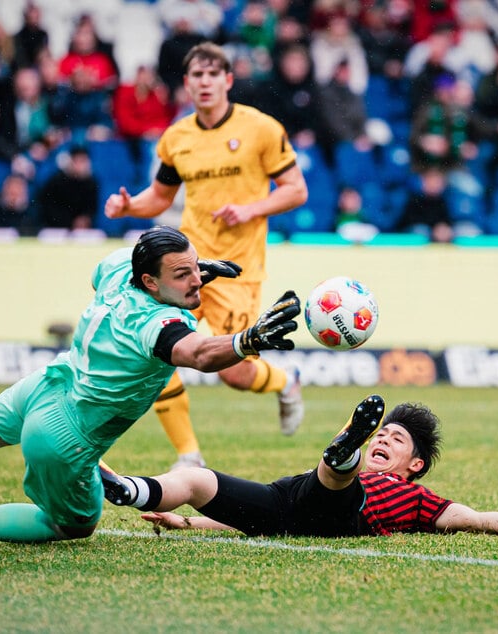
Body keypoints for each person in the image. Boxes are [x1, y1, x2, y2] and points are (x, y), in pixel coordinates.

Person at [0, 225, 302, 543]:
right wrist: (247, 340)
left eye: (195, 268)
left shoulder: (120, 268)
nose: (196, 280)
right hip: (65, 433)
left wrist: (194, 269)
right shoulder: (157, 323)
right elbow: (198, 354)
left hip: (47, 383)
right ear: (151, 282)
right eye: (182, 274)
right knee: (72, 527)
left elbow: (105, 272)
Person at [104, 42, 309, 469]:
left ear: (228, 80)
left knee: (233, 373)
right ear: (186, 84)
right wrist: (129, 207)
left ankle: (287, 383)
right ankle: (189, 456)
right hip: (186, 264)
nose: (205, 82)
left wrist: (250, 209)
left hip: (238, 269)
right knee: (156, 351)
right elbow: (159, 197)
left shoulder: (261, 128)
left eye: (213, 74)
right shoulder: (177, 138)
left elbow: (296, 190)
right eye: (196, 75)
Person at [102, 395, 498, 540]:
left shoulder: (417, 498)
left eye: (396, 439)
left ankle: (340, 452)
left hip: (341, 513)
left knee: (337, 483)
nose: (387, 439)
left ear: (414, 466)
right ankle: (128, 489)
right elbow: (216, 512)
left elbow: (477, 520)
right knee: (195, 480)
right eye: (381, 434)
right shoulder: (362, 473)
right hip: (284, 504)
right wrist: (184, 519)